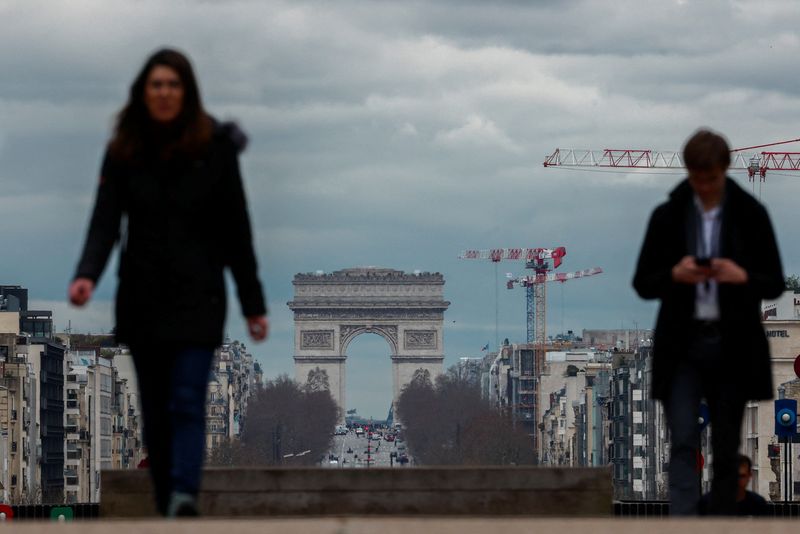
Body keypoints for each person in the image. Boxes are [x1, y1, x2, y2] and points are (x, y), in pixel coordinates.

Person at [69, 48, 268, 517]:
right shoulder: (124, 149)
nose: (164, 92)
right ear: (143, 91)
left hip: (199, 299)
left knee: (187, 400)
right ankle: (168, 494)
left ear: (188, 90)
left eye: (172, 84)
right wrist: (86, 274)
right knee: (156, 409)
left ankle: (182, 495)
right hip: (143, 297)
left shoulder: (217, 148)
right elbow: (104, 221)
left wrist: (254, 303)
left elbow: (237, 229)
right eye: (156, 84)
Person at [633, 128, 784, 516]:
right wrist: (675, 274)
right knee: (683, 440)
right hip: (682, 346)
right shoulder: (667, 216)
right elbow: (644, 282)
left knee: (726, 446)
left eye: (711, 179)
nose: (704, 187)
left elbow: (774, 280)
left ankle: (719, 524)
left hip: (733, 345)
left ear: (724, 170)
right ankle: (685, 525)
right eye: (697, 179)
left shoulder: (751, 215)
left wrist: (741, 276)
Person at [699, 454, 769, 516]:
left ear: (749, 476)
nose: (736, 481)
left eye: (741, 476)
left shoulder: (758, 504)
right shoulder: (706, 503)